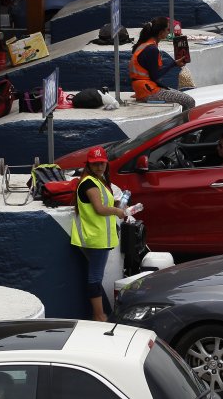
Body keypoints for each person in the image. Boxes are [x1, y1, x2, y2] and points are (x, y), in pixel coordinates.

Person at [70, 146, 133, 322]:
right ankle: (99, 315)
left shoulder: (98, 181)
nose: (99, 167)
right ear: (89, 165)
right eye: (95, 164)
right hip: (96, 238)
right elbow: (99, 209)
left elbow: (103, 202)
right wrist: (117, 211)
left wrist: (119, 203)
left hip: (99, 238)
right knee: (95, 278)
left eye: (102, 164)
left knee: (94, 277)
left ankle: (99, 314)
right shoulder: (90, 183)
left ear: (106, 164)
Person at [129, 17, 196, 110]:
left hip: (143, 88)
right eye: (167, 30)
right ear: (160, 33)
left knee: (182, 96)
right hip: (148, 90)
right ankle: (186, 124)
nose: (169, 33)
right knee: (189, 101)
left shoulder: (144, 45)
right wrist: (173, 64)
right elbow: (156, 76)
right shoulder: (152, 49)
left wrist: (174, 64)